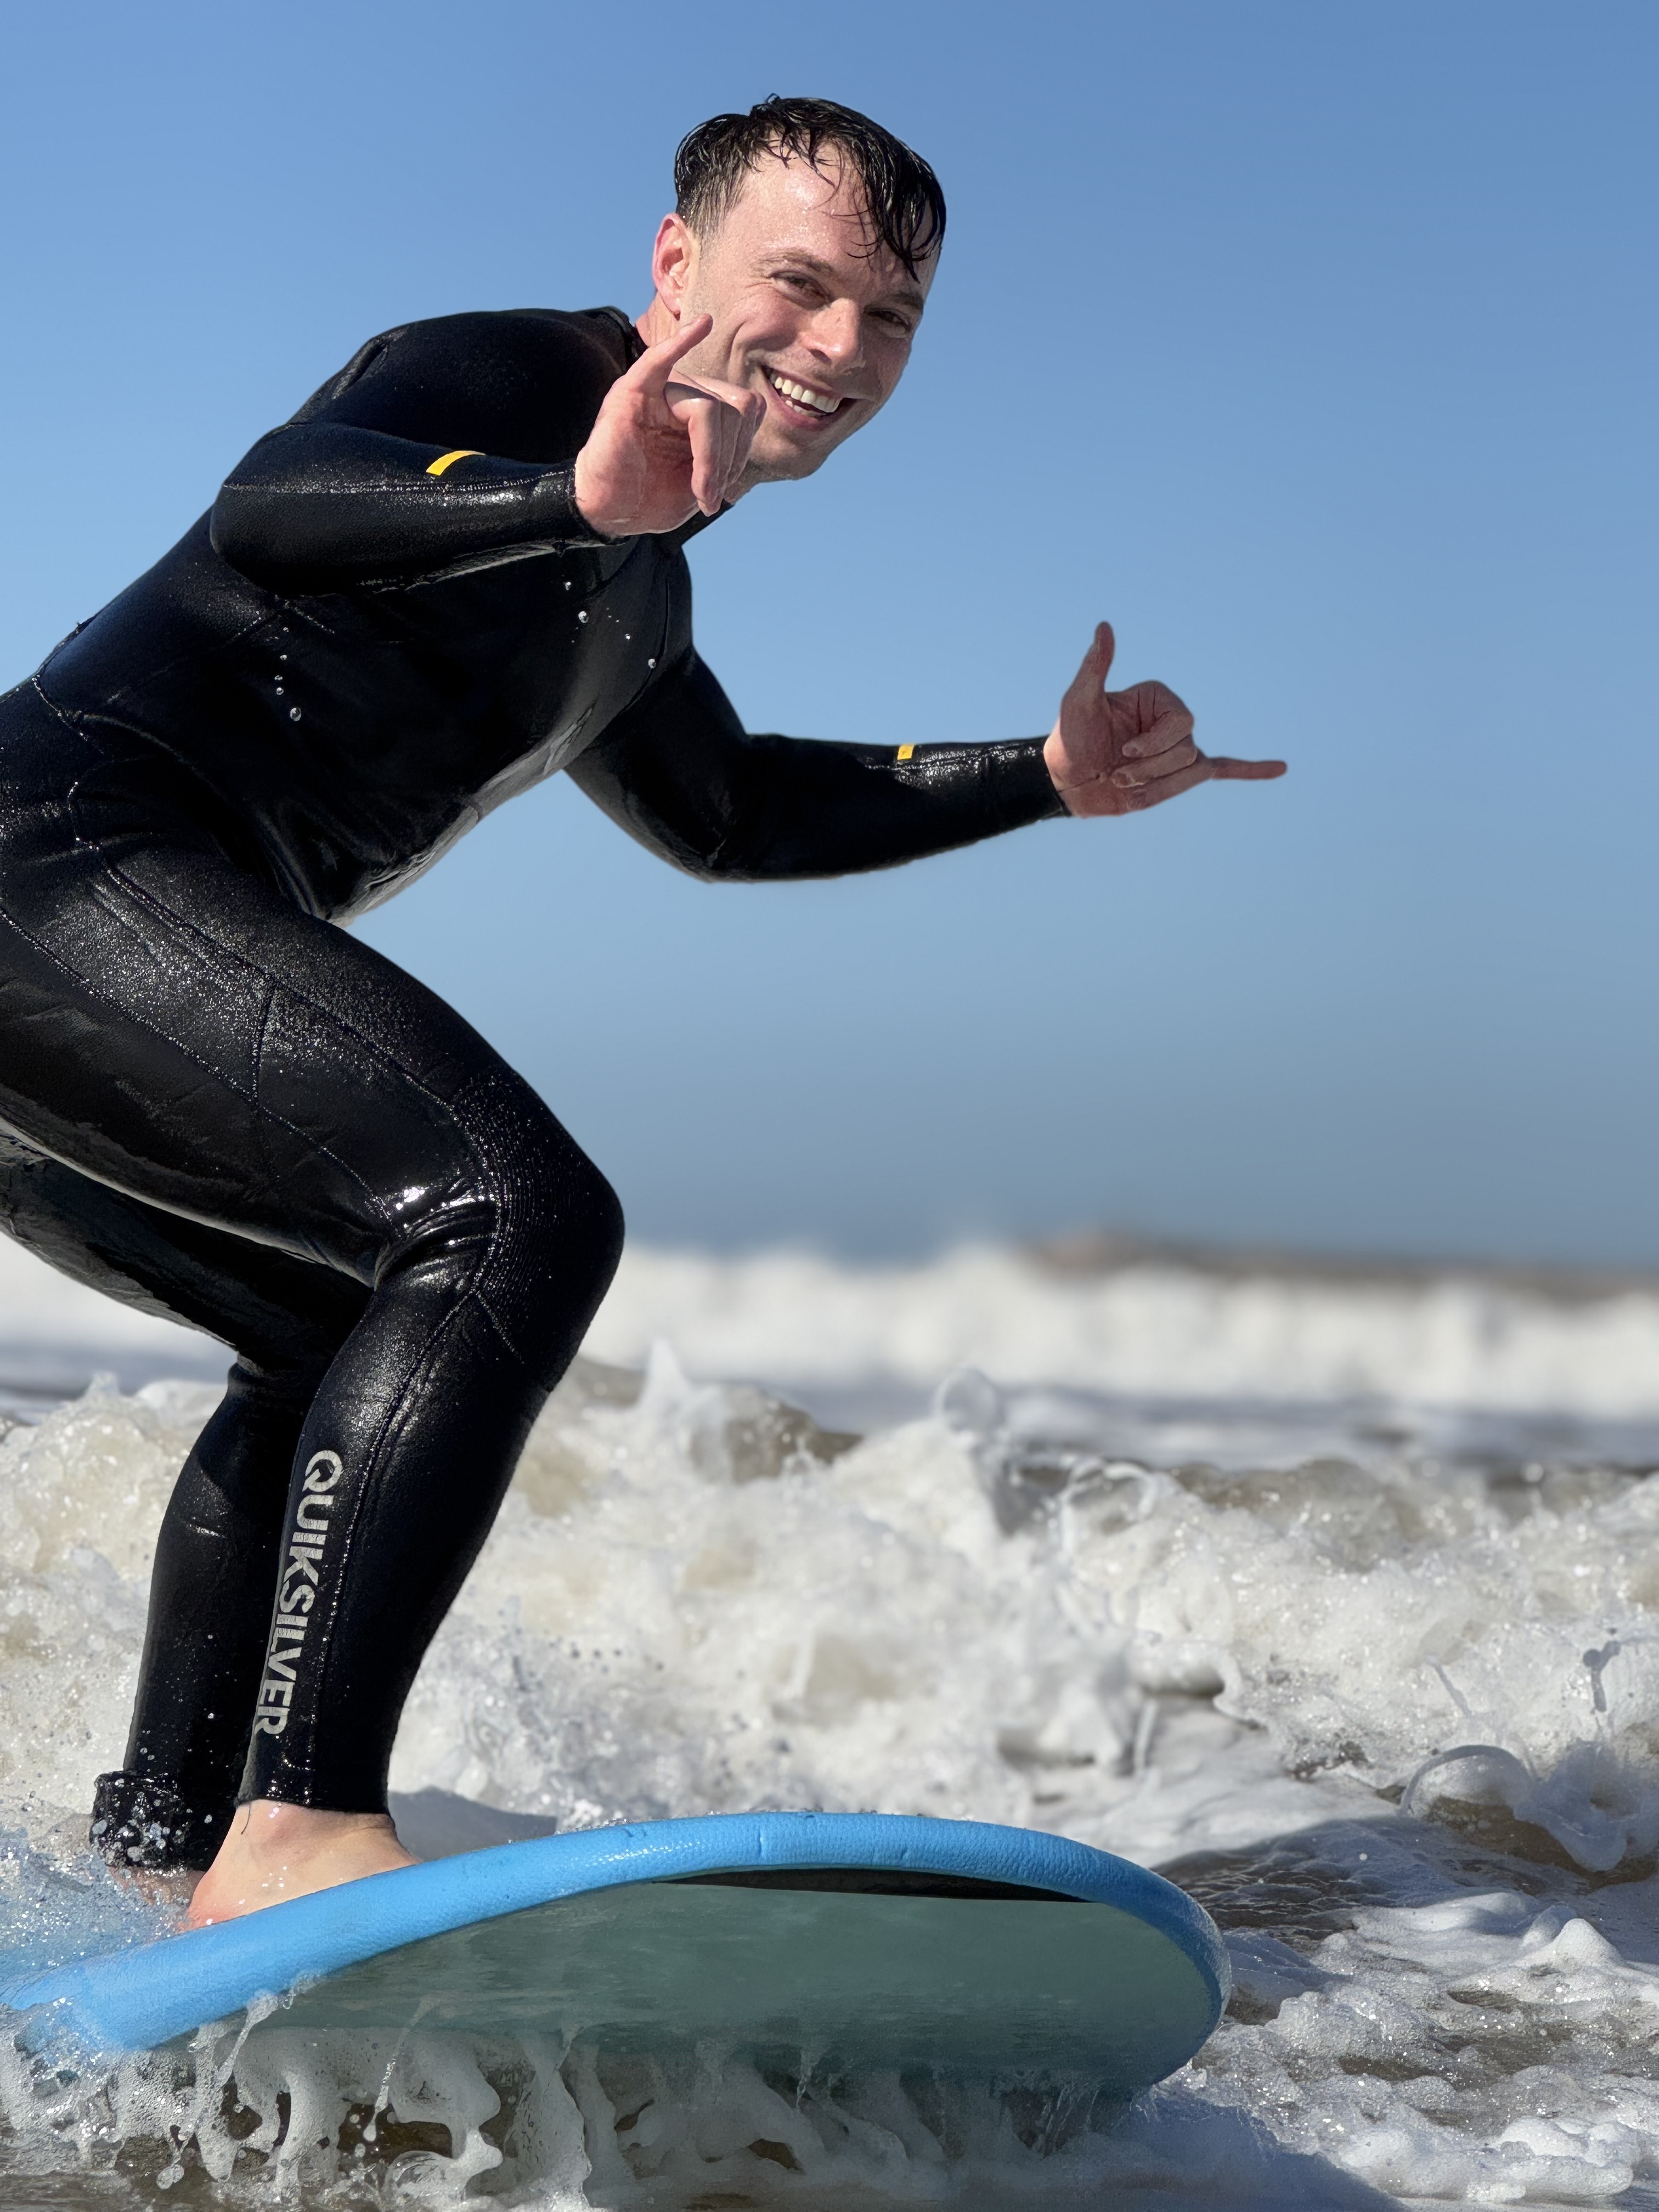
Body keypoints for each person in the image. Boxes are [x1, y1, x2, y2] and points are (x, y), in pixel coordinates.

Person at [0, 97, 1284, 1925]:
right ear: (676, 269)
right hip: (55, 853)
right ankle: (298, 1828)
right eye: (803, 283)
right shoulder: (517, 375)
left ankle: (163, 1866)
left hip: (64, 963)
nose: (843, 347)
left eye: (894, 318)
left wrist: (1044, 776)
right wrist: (563, 494)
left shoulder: (644, 594)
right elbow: (272, 506)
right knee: (510, 1215)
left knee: (315, 1329)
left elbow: (735, 812)